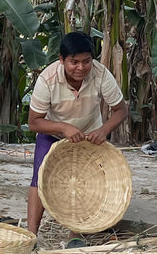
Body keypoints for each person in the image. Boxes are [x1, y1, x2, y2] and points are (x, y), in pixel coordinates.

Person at [27, 31, 128, 239]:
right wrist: (63, 128)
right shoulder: (47, 79)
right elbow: (34, 122)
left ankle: (75, 236)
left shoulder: (100, 74)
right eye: (74, 62)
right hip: (53, 133)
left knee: (85, 182)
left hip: (90, 135)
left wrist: (103, 130)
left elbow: (121, 110)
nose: (81, 68)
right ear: (62, 60)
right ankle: (30, 236)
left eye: (86, 61)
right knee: (40, 179)